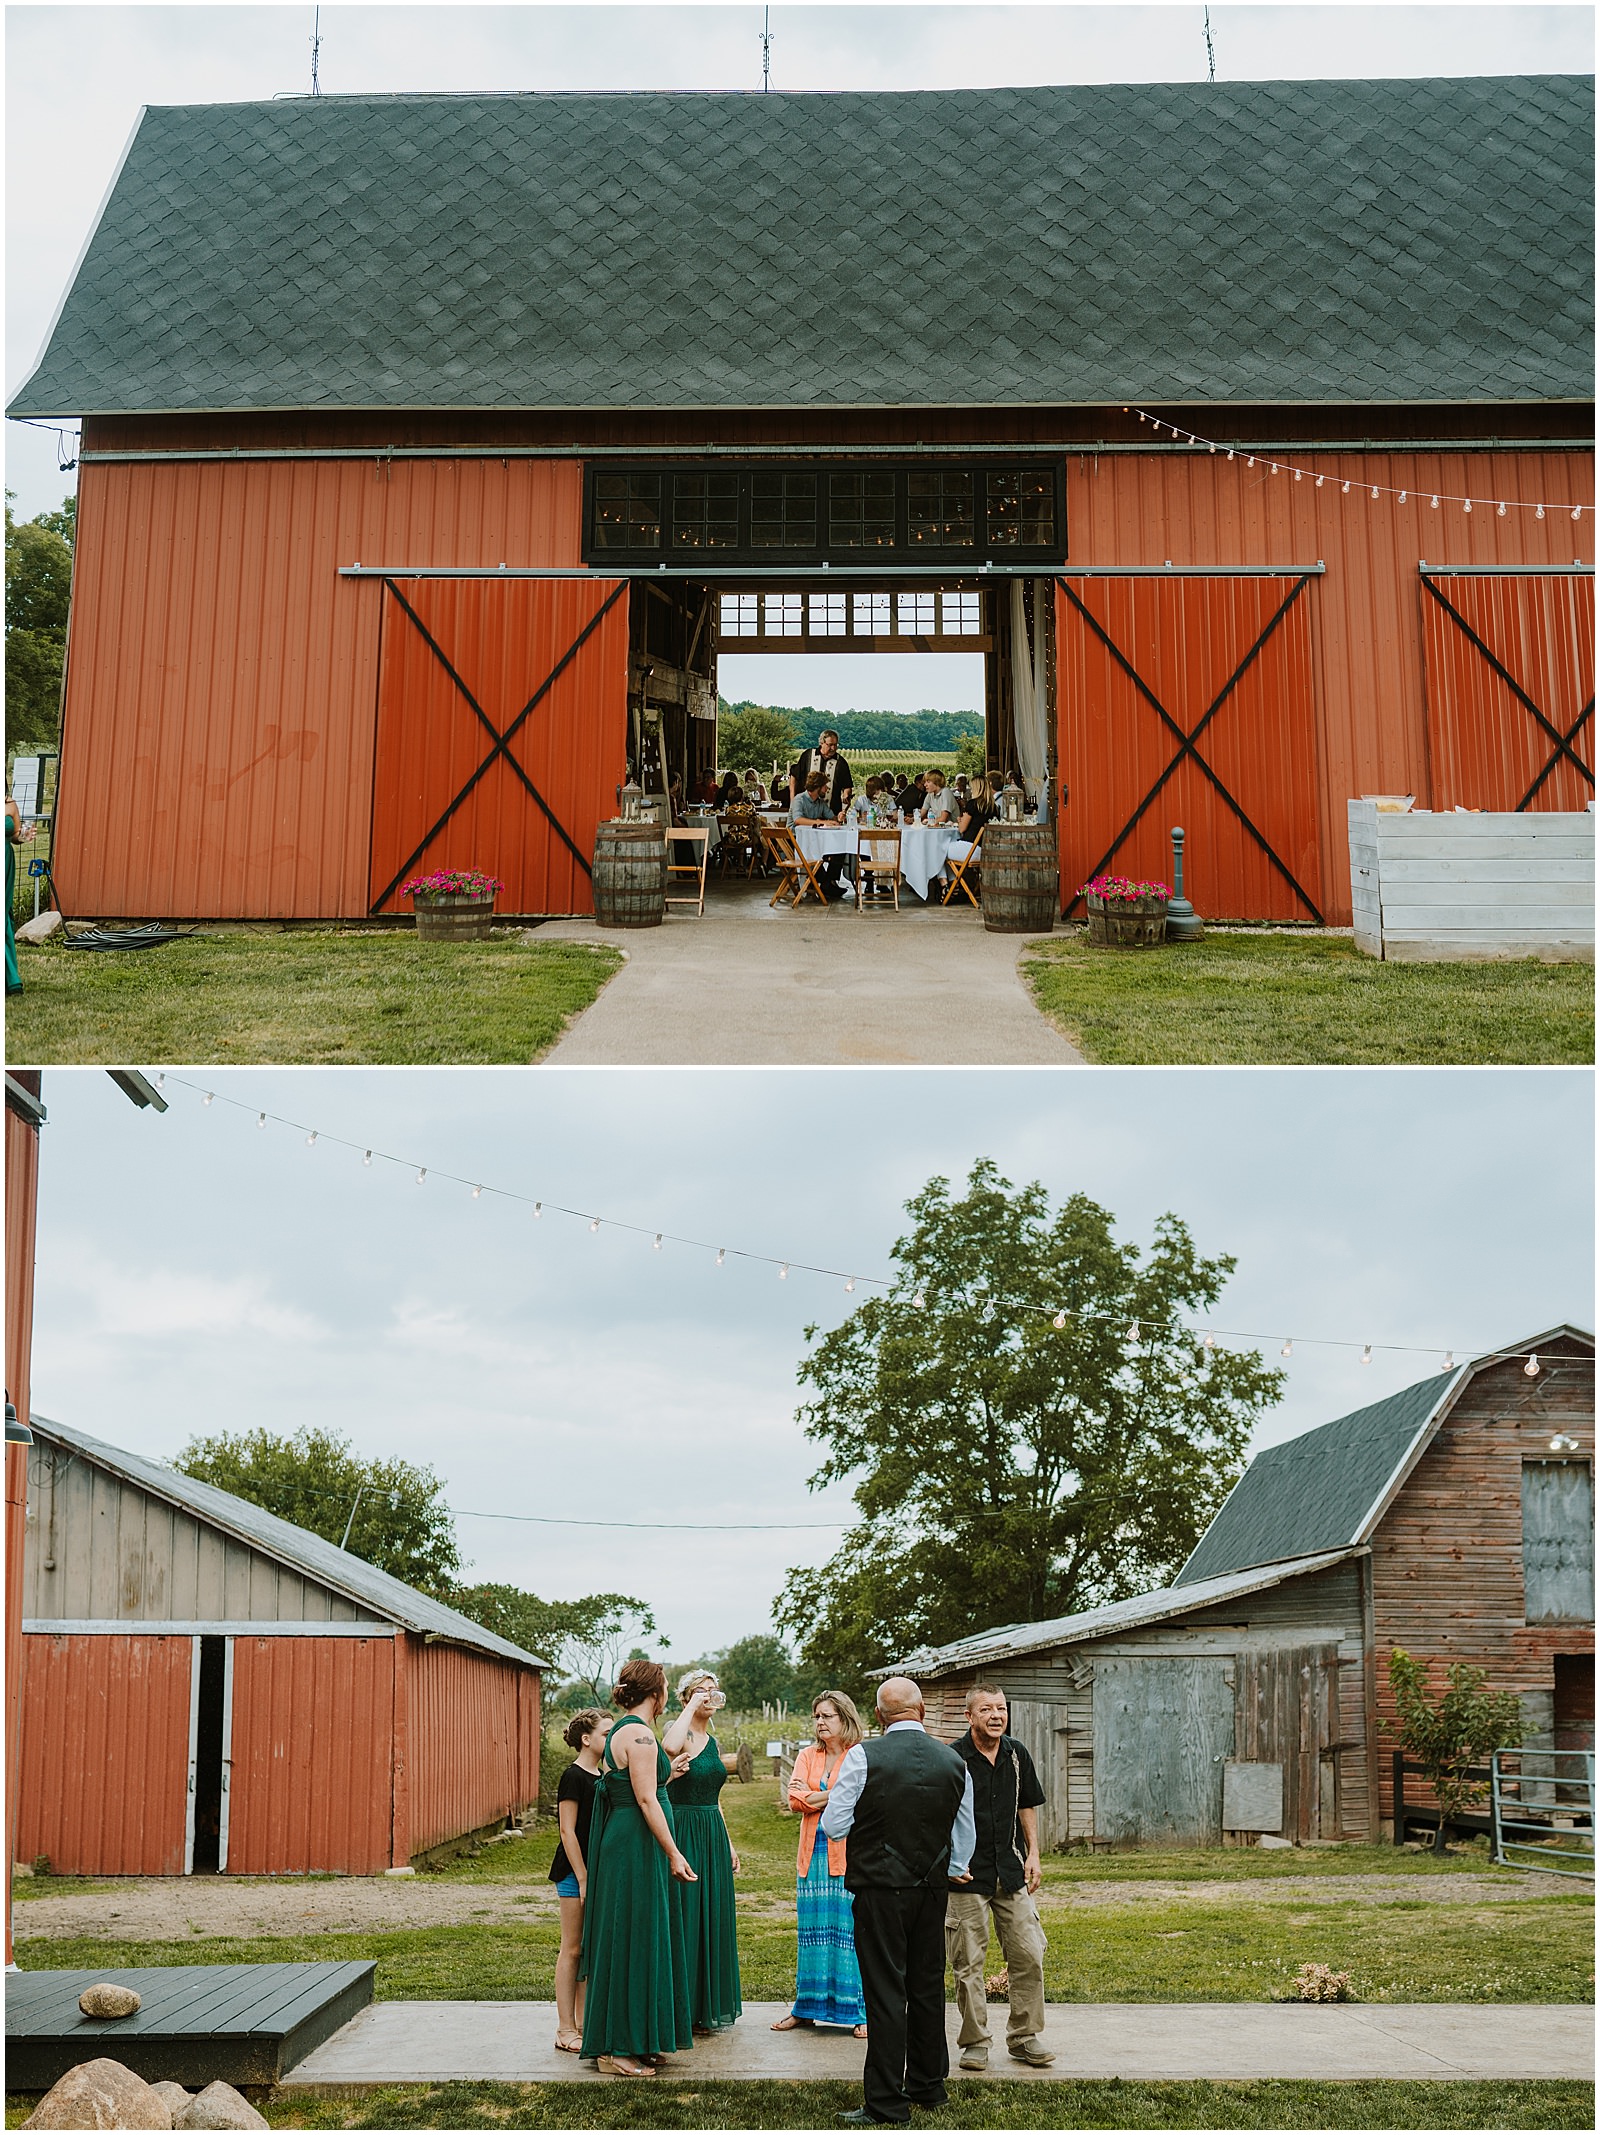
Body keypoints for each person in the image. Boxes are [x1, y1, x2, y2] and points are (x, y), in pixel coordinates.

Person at [822, 1676, 975, 2127]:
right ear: (922, 1710)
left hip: (879, 1890)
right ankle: (929, 2086)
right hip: (932, 1890)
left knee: (886, 1991)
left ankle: (886, 2102)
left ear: (877, 1717)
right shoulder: (953, 1760)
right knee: (927, 1986)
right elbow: (964, 1834)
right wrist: (949, 1867)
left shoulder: (863, 1756)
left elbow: (834, 1824)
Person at [579, 1659, 698, 2078]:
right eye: (665, 1686)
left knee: (642, 1936)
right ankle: (614, 2049)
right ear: (656, 1693)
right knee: (629, 1939)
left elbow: (644, 1787)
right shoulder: (641, 1735)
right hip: (635, 1846)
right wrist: (674, 1853)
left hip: (630, 1841)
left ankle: (641, 2038)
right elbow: (645, 1801)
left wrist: (670, 1775)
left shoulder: (625, 1732)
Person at [944, 1686, 1054, 2071]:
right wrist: (948, 1864)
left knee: (1028, 1953)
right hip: (966, 1877)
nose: (996, 1715)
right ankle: (975, 2042)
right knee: (968, 1962)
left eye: (1001, 1708)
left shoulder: (1016, 1754)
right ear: (969, 1716)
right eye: (987, 1708)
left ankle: (1024, 2037)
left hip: (1010, 1871)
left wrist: (1034, 1853)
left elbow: (1026, 1805)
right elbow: (937, 1817)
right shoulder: (953, 1758)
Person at [773, 1692, 869, 2039]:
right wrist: (841, 1791)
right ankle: (806, 2009)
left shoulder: (860, 1755)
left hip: (848, 1856)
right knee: (812, 1934)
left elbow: (862, 1797)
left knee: (849, 1933)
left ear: (845, 1717)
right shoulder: (807, 1756)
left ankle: (858, 2011)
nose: (820, 1722)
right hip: (811, 1856)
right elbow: (795, 1800)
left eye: (827, 1716)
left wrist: (819, 1795)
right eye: (816, 1717)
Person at [663, 1671, 743, 2035]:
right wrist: (692, 1705)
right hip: (682, 1830)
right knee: (686, 1915)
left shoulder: (712, 1740)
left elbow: (716, 1799)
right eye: (701, 1693)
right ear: (684, 1699)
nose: (710, 1697)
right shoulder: (676, 1731)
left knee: (711, 1915)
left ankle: (704, 2006)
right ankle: (680, 2006)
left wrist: (728, 1843)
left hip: (711, 1831)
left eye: (714, 1692)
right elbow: (667, 1751)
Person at [551, 1708, 609, 2053]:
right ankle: (564, 2028)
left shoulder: (603, 1775)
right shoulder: (573, 1776)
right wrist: (583, 1878)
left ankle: (585, 2023)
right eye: (605, 1733)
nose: (611, 1739)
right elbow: (566, 1830)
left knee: (588, 1950)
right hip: (575, 1874)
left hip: (598, 1872)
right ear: (586, 1739)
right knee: (572, 1948)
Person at [789, 729, 853, 816]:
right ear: (821, 743)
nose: (833, 748)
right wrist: (793, 801)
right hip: (806, 811)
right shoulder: (808, 756)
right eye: (830, 745)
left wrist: (846, 795)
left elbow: (847, 785)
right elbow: (794, 775)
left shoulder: (841, 763)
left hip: (831, 811)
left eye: (835, 745)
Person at [5, 795, 21, 997]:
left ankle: (10, 978)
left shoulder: (9, 803)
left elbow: (16, 835)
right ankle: (10, 978)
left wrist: (24, 835)